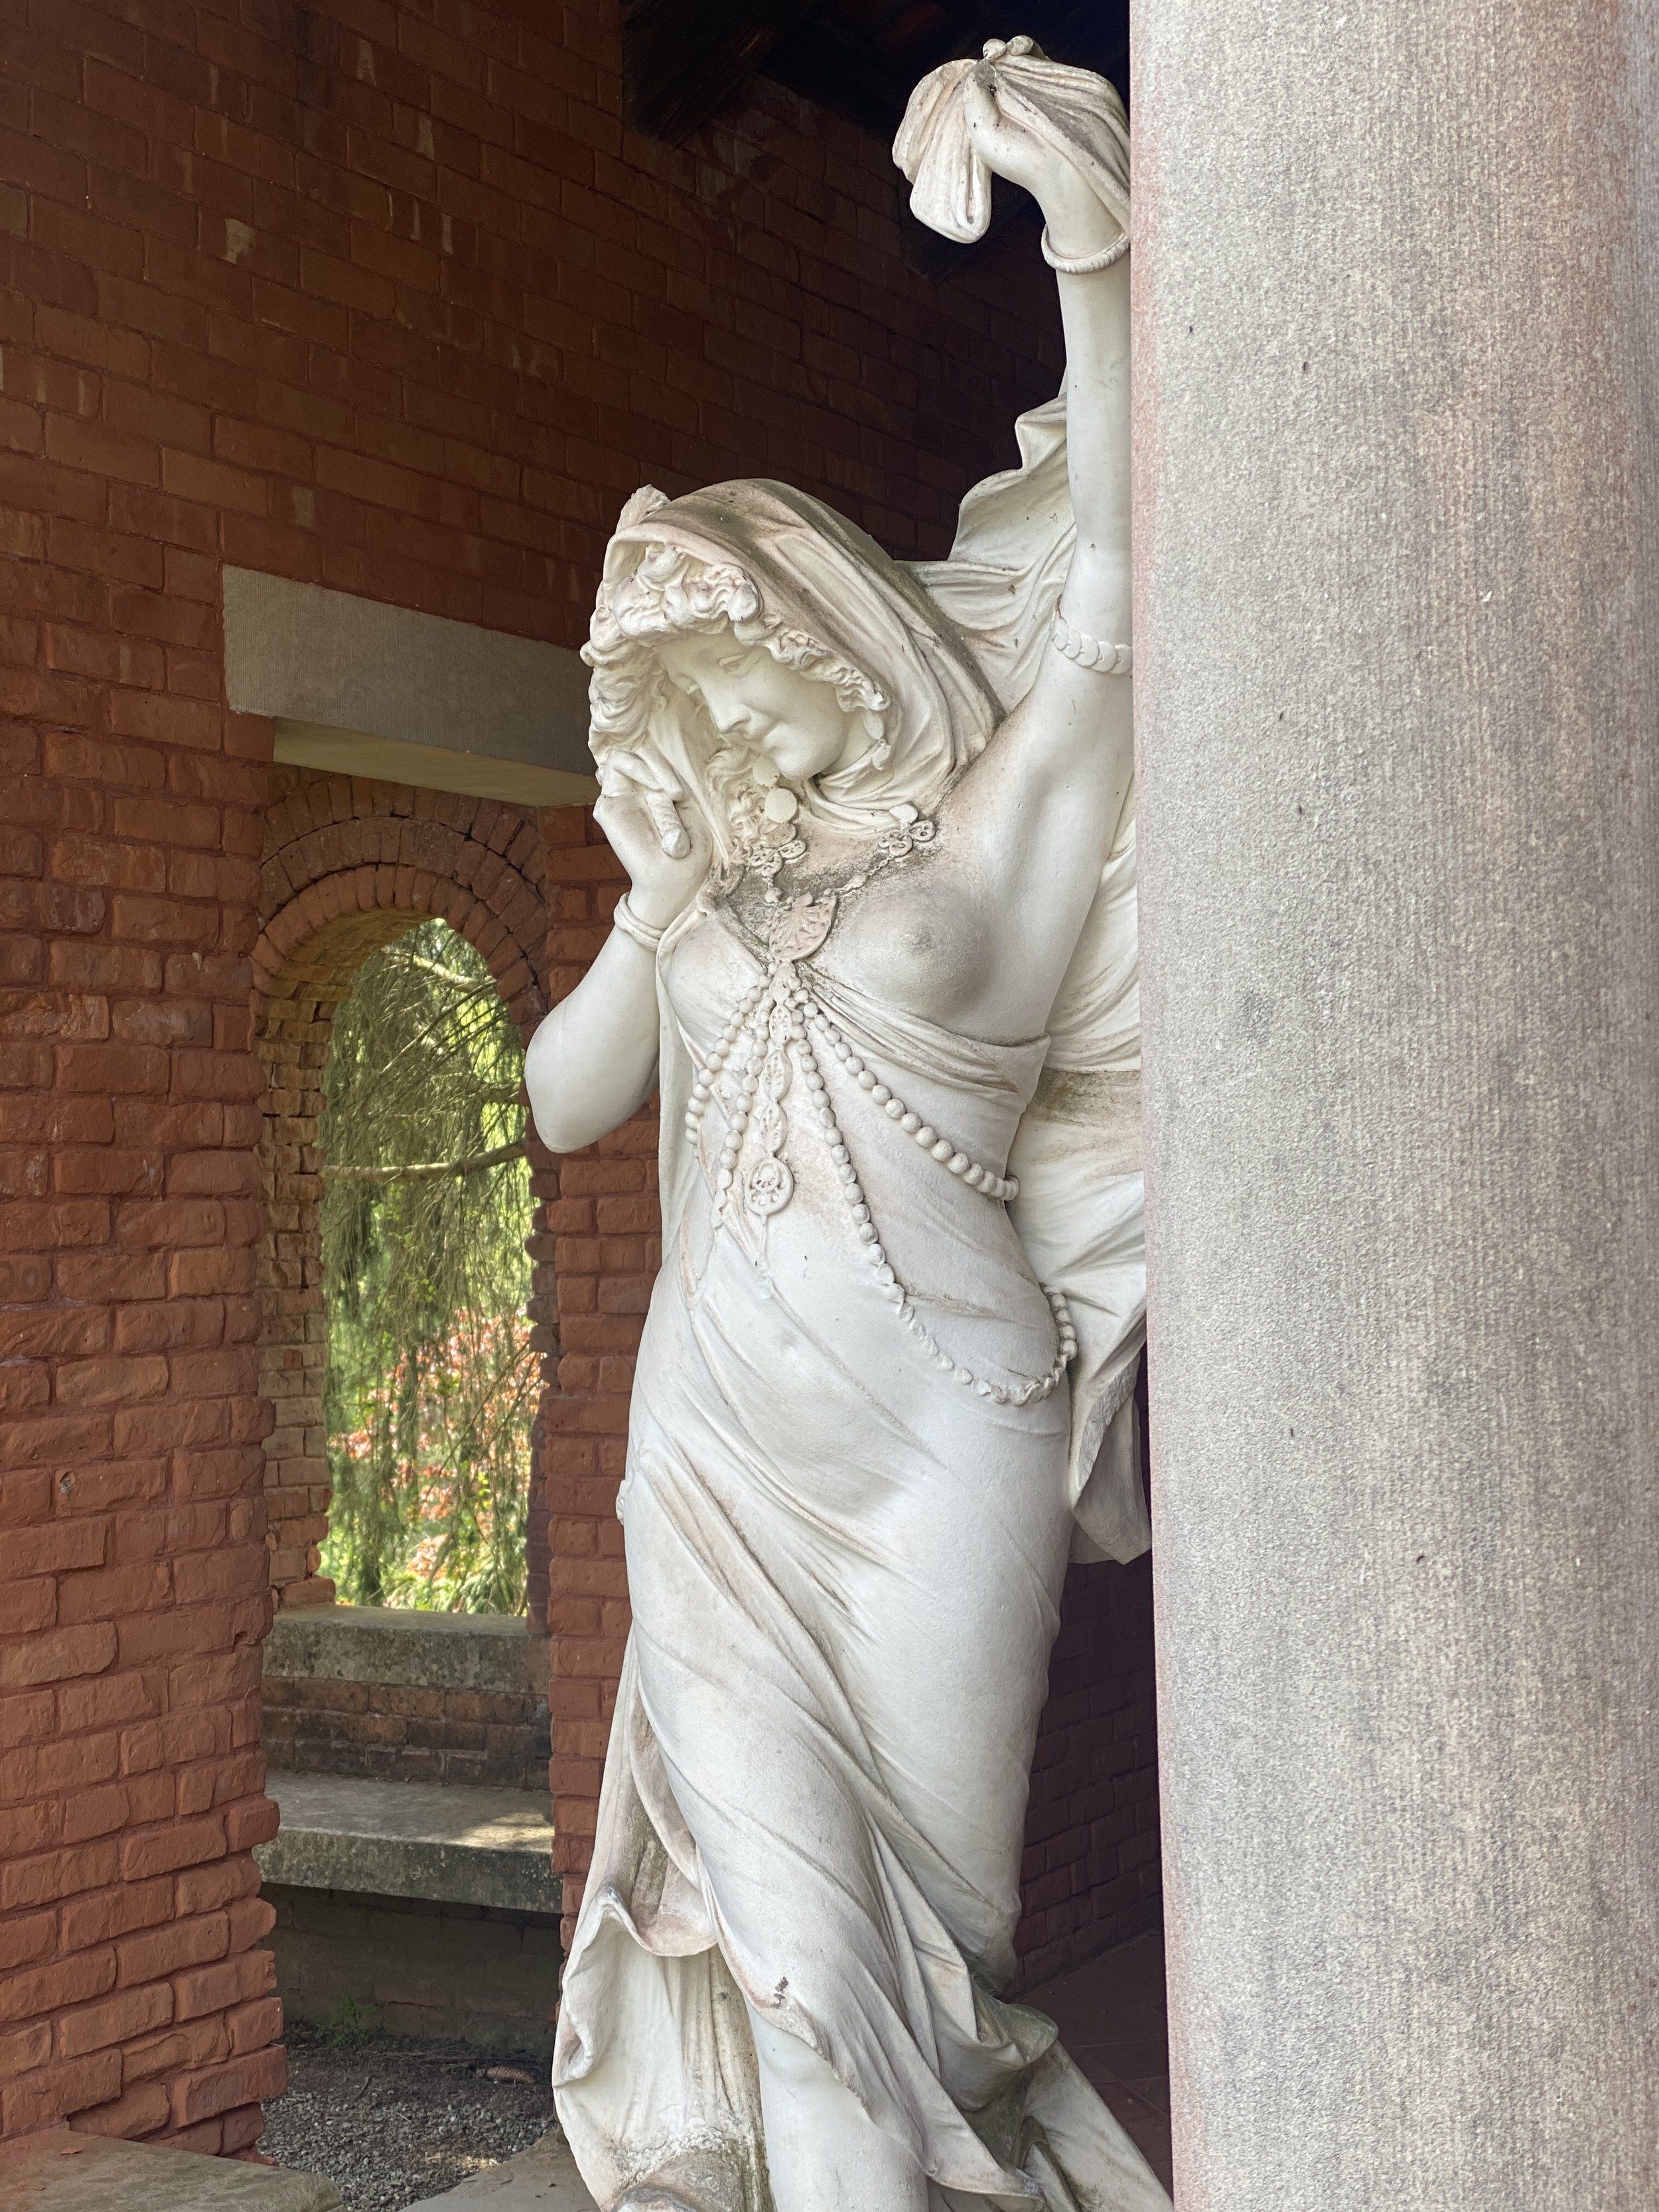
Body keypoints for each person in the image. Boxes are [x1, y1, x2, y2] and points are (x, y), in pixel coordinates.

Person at [526, 42, 1168, 2212]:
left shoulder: (995, 841)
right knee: (797, 1979)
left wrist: (1091, 245)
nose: (713, 727)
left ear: (837, 634)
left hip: (938, 1444)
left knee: (926, 1977)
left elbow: (1113, 602)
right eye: (676, 705)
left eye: (735, 674)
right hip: (711, 1449)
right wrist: (645, 911)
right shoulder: (704, 893)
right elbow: (555, 1101)